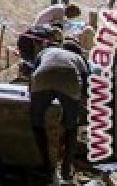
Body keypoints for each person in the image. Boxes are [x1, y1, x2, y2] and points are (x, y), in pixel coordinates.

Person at [29, 42, 90, 183]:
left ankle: (46, 165)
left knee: (36, 123)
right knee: (71, 127)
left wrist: (33, 96)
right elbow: (85, 89)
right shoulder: (79, 58)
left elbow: (32, 74)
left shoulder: (46, 51)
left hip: (42, 77)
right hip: (70, 79)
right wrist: (76, 111)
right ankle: (66, 167)